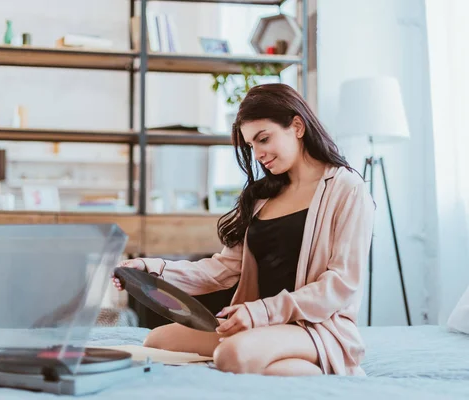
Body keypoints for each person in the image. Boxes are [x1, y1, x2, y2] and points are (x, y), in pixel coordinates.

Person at [112, 83, 375, 377]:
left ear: (297, 126)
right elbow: (221, 270)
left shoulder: (347, 189)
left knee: (231, 355)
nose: (259, 153)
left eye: (264, 139)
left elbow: (341, 285)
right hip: (258, 324)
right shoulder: (262, 196)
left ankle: (341, 370)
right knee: (158, 341)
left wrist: (261, 311)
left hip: (314, 327)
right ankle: (274, 365)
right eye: (251, 145)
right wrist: (153, 269)